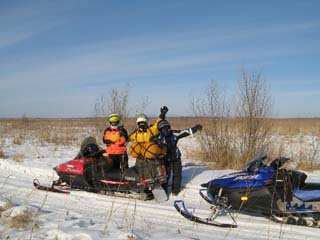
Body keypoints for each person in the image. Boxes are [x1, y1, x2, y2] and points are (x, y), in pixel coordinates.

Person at [151, 120, 203, 195]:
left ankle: (175, 190)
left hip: (176, 157)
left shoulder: (173, 134)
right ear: (160, 129)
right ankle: (164, 191)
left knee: (177, 174)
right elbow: (150, 141)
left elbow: (185, 132)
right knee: (165, 176)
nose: (166, 130)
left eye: (167, 128)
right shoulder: (158, 137)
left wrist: (195, 128)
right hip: (165, 158)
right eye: (163, 128)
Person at [128, 106, 168, 180]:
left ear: (146, 122)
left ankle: (153, 182)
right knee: (140, 172)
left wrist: (162, 114)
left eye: (143, 122)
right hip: (140, 158)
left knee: (151, 173)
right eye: (140, 123)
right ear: (138, 123)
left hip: (150, 156)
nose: (142, 124)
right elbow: (127, 139)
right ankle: (140, 182)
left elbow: (158, 122)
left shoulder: (152, 130)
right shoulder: (136, 133)